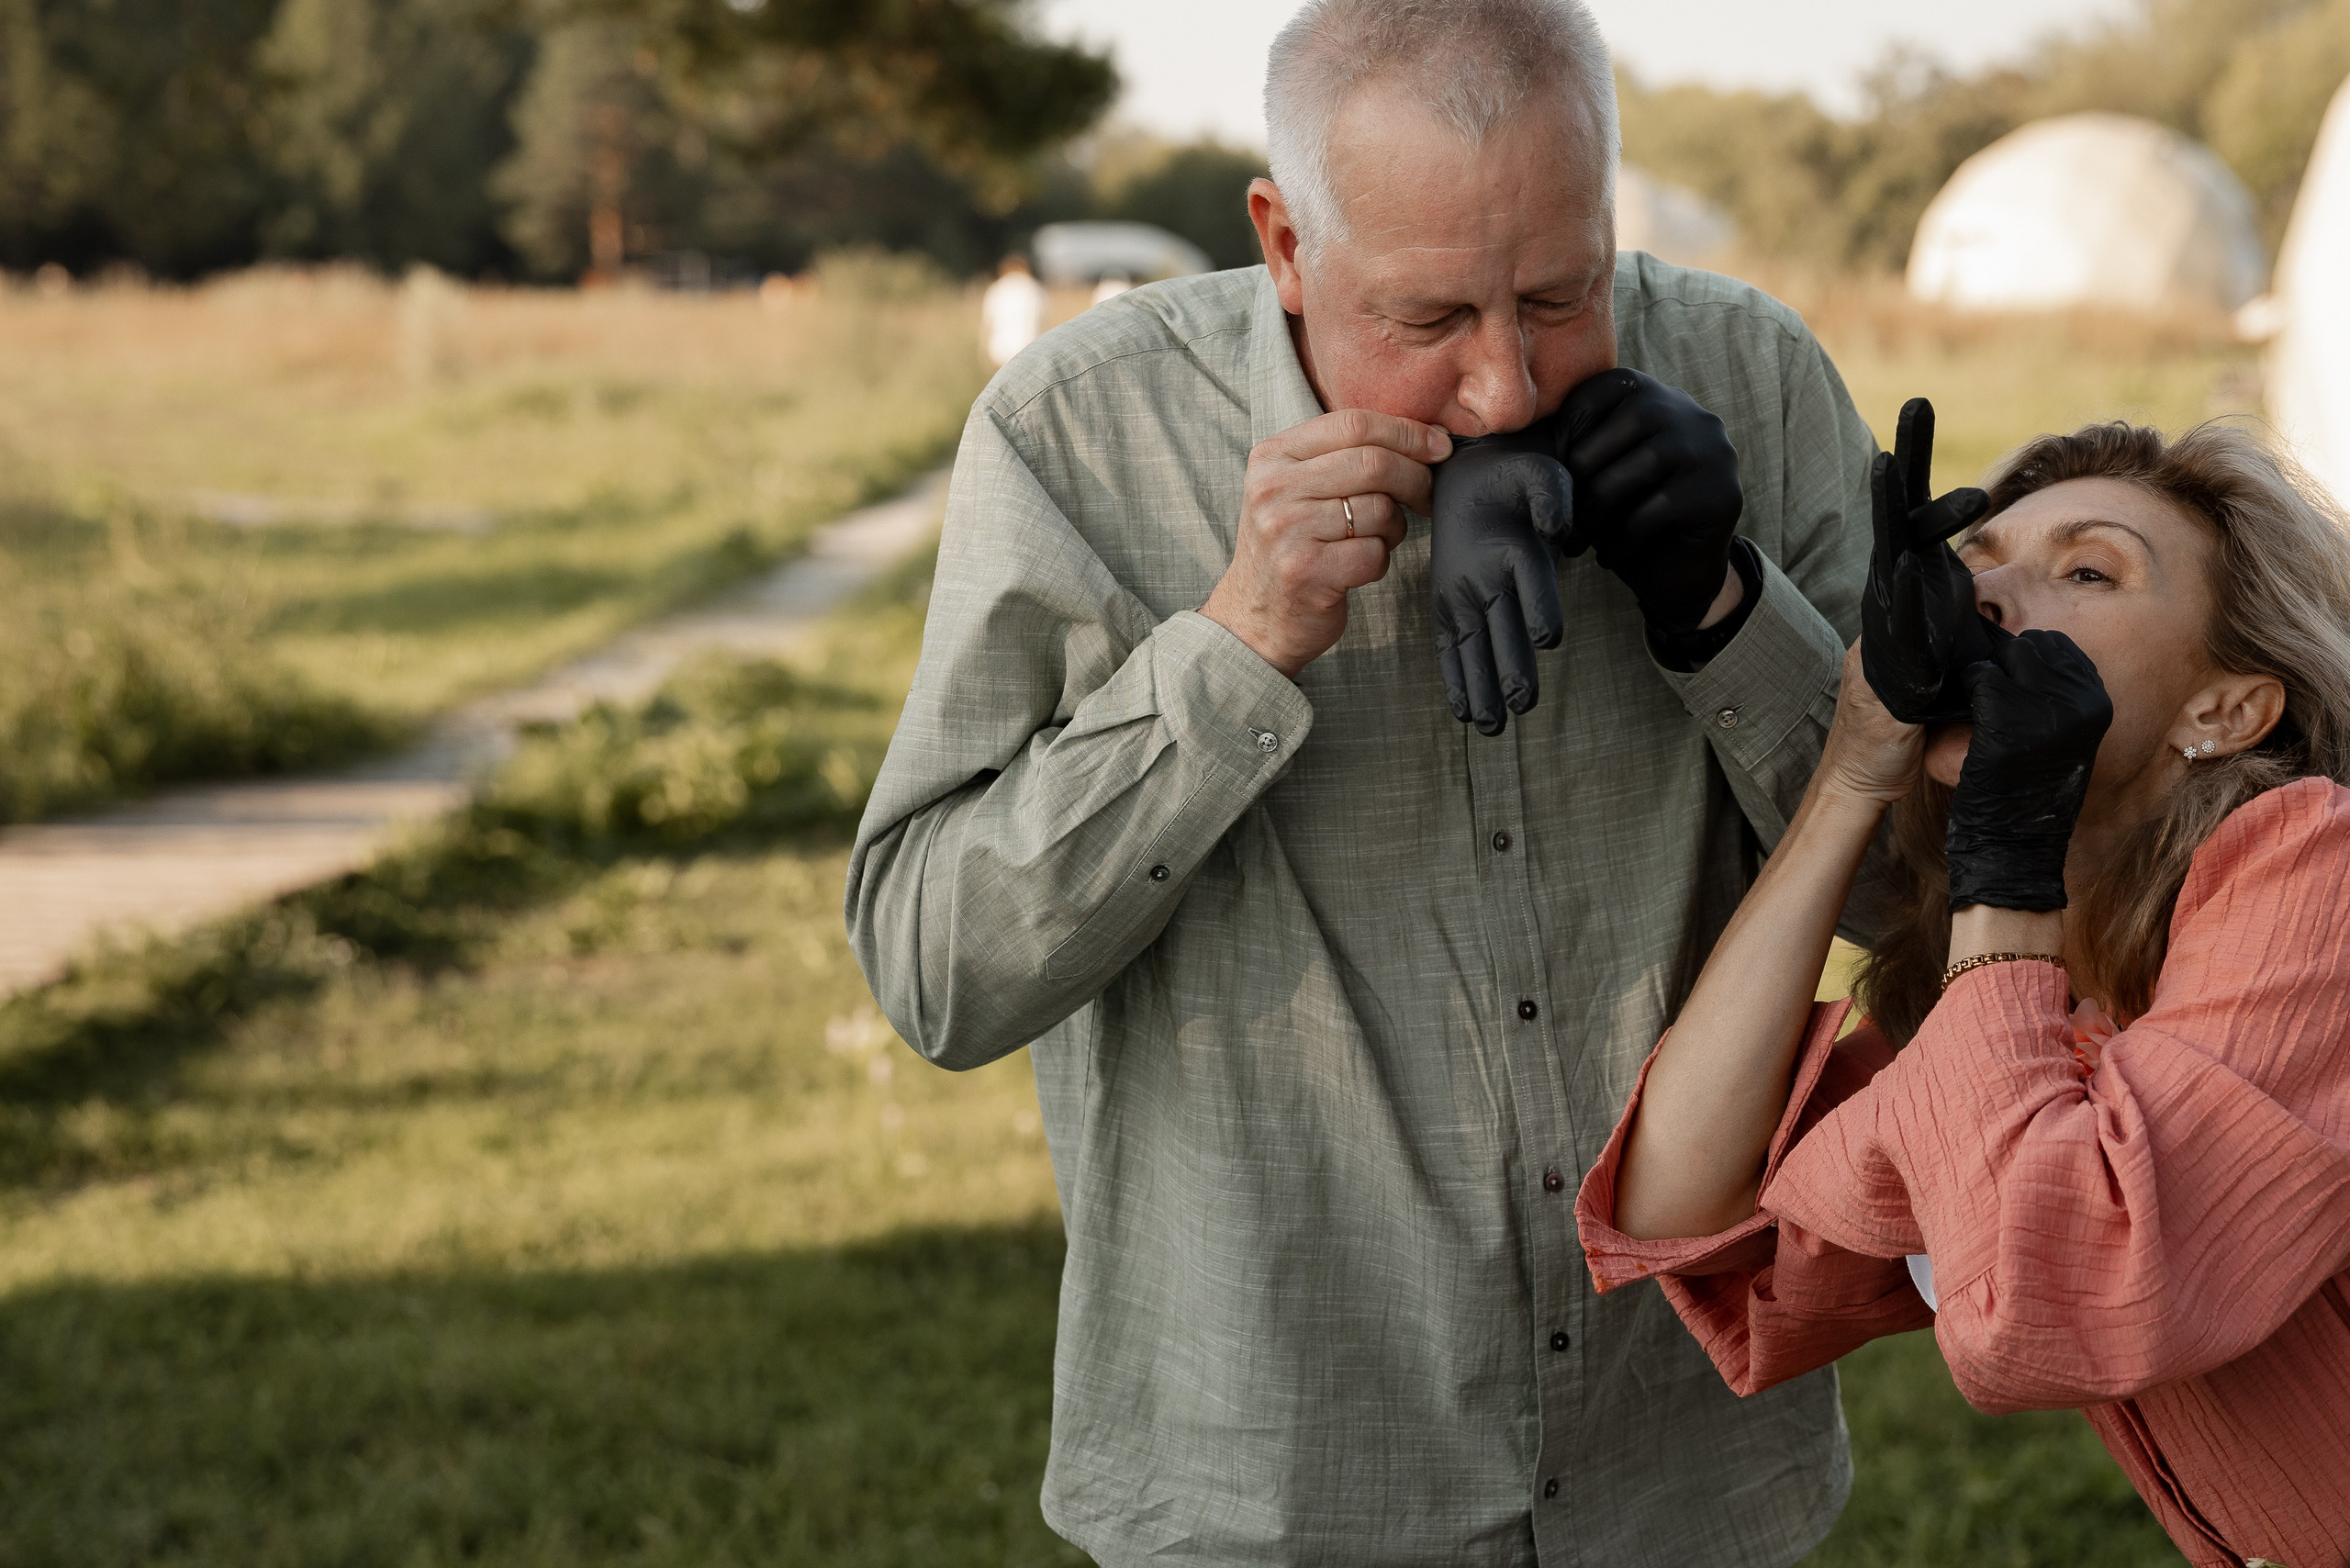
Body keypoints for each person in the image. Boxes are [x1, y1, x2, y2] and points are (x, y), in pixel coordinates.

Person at [847, 1, 1886, 1561]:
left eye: (1560, 293)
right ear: (1284, 243)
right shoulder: (1082, 435)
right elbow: (939, 975)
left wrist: (1726, 609)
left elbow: (1929, 901)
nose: (1506, 389)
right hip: (1278, 1484)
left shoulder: (1758, 374)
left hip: (1687, 1472)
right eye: (1428, 317)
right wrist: (1239, 639)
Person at [1575, 414, 2350, 1568]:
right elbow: (1678, 1203)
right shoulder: (2035, 986)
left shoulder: (2318, 873)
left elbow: (2064, 1303)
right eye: (1975, 564)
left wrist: (2005, 858)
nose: (1983, 598)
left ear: (2224, 710)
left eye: (2087, 572)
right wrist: (1855, 763)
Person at [981, 253, 1046, 369]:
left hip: (999, 351)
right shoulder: (1035, 288)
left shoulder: (997, 288)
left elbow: (987, 322)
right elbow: (1043, 319)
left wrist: (983, 352)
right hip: (1028, 348)